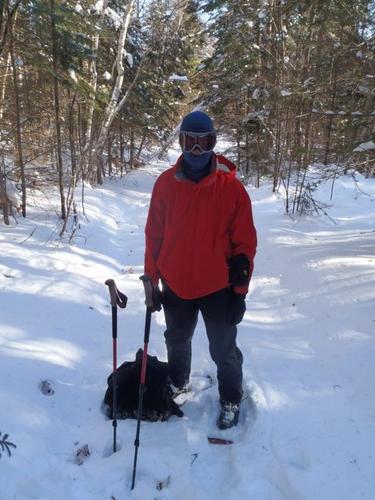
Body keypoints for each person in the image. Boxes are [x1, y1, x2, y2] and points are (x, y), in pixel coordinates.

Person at [144, 110, 257, 429]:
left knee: (223, 348)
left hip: (217, 287)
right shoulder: (165, 185)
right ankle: (178, 382)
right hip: (176, 284)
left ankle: (232, 397)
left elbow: (245, 244)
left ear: (212, 144)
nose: (195, 149)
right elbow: (154, 236)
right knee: (176, 339)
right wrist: (151, 283)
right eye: (189, 141)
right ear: (180, 142)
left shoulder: (231, 189)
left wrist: (239, 291)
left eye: (202, 142)